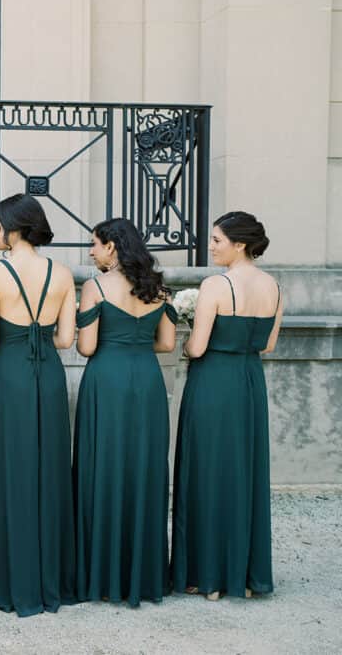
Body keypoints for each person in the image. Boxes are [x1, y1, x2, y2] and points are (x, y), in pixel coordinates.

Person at [172, 211, 283, 601]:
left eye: (217, 240)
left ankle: (207, 576)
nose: (211, 246)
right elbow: (268, 346)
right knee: (244, 471)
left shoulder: (216, 285)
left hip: (214, 382)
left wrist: (185, 339)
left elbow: (197, 346)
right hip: (250, 382)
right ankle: (247, 574)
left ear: (239, 244)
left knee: (207, 471)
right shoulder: (274, 286)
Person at [0, 193, 77, 616]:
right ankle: (51, 578)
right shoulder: (64, 273)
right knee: (50, 470)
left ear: (14, 226)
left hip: (11, 372)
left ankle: (8, 580)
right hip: (49, 373)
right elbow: (66, 340)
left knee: (7, 469)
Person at [73, 218, 177, 606]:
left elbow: (85, 347)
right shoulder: (160, 290)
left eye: (95, 245)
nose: (91, 252)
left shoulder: (96, 287)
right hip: (147, 381)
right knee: (144, 468)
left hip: (107, 377)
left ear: (112, 247)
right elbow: (166, 345)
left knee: (103, 466)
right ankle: (143, 574)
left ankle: (102, 574)